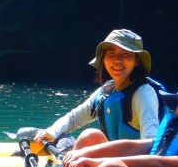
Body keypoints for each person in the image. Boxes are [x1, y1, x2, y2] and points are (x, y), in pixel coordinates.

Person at [35, 29, 165, 152]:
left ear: (136, 61)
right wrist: (52, 131)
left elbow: (150, 143)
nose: (117, 60)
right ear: (104, 58)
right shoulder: (107, 90)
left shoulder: (144, 93)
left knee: (89, 135)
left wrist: (94, 156)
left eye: (125, 54)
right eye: (111, 54)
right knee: (89, 136)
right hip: (111, 161)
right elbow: (74, 118)